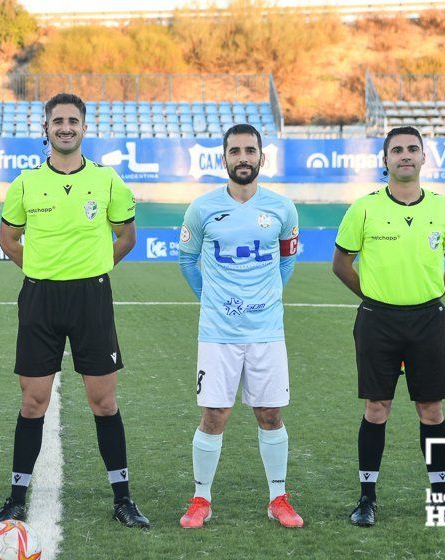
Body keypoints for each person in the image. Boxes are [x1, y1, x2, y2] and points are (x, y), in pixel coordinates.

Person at [0, 92, 149, 528]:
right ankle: (17, 498)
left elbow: (127, 237)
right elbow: (8, 240)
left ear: (83, 127)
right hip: (40, 299)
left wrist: (92, 270)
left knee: (103, 401)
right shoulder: (25, 184)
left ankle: (123, 499)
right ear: (46, 128)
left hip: (91, 299)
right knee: (32, 401)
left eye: (72, 121)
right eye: (57, 121)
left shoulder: (107, 180)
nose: (65, 127)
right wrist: (42, 271)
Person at [332, 126, 445, 527]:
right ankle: (366, 499)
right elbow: (341, 264)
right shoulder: (364, 208)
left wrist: (428, 294)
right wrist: (374, 298)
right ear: (385, 159)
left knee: (431, 409)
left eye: (413, 149)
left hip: (429, 320)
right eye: (397, 150)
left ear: (424, 157)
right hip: (378, 320)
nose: (405, 155)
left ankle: (440, 500)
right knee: (376, 408)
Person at [177, 124, 304, 529]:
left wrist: (265, 300)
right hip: (218, 334)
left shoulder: (283, 209)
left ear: (262, 157)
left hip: (266, 332)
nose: (243, 157)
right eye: (235, 151)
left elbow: (286, 261)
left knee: (270, 414)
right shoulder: (201, 209)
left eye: (250, 150)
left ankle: (278, 498)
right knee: (214, 415)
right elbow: (186, 261)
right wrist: (213, 301)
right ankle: (201, 499)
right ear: (224, 158)